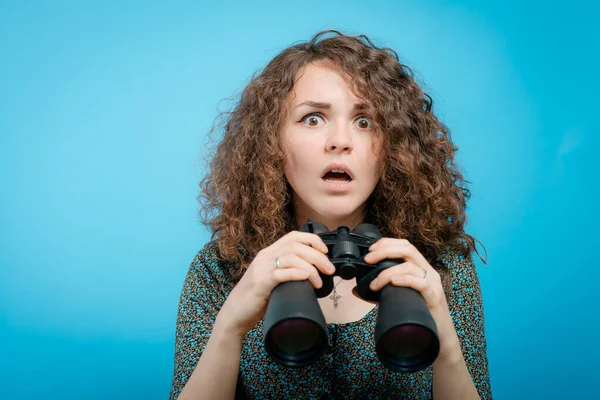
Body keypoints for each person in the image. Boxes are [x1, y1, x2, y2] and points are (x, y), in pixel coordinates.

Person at [169, 30, 492, 400]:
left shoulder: (440, 267)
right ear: (272, 141)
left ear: (393, 146)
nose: (340, 141)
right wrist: (229, 326)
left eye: (365, 121)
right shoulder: (221, 267)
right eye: (312, 119)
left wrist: (445, 342)